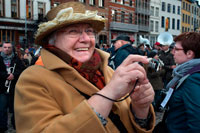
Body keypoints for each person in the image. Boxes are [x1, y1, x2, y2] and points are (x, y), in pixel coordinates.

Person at [14, 2, 155, 133]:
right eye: (73, 31)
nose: (86, 38)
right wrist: (109, 93)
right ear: (51, 39)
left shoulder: (107, 71)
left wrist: (140, 109)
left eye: (89, 31)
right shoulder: (32, 79)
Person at [155, 32, 200, 133]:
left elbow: (197, 123)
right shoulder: (185, 73)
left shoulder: (193, 79)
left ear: (189, 53)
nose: (173, 52)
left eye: (176, 49)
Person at [0, 42, 25, 132]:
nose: (7, 49)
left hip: (14, 88)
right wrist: (6, 76)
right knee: (2, 109)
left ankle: (15, 125)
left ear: (12, 48)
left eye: (9, 47)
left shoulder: (16, 59)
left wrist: (14, 75)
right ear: (2, 48)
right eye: (5, 47)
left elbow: (22, 70)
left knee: (15, 108)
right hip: (2, 88)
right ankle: (2, 127)